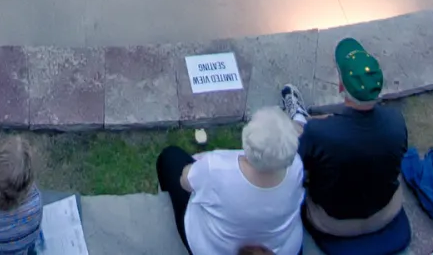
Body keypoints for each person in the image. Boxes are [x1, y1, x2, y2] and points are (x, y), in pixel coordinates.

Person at [280, 39, 407, 243]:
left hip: (332, 223)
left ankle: (298, 116)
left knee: (296, 133)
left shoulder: (318, 132)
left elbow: (297, 166)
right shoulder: (397, 121)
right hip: (385, 213)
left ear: (341, 86)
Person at [155, 107, 304, 255]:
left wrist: (199, 167)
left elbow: (185, 182)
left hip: (215, 249)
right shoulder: (296, 166)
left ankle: (162, 189)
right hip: (281, 249)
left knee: (171, 157)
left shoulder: (216, 168)